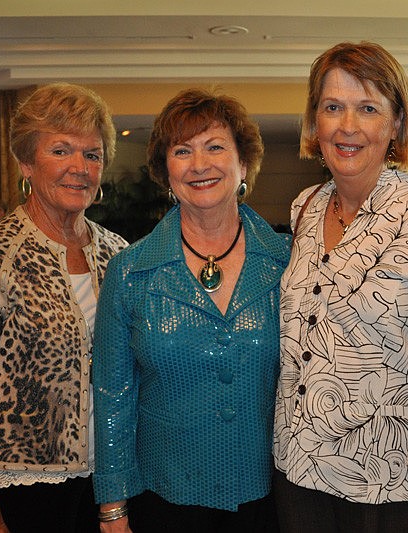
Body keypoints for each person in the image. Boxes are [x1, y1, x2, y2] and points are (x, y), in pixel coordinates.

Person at [274, 41, 408, 533]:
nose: (347, 126)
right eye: (333, 107)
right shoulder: (305, 208)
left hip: (385, 490)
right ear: (314, 123)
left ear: (396, 124)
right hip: (296, 475)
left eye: (367, 108)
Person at [0, 82, 128, 533]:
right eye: (61, 151)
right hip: (22, 491)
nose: (79, 167)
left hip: (111, 483)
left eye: (92, 154)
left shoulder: (118, 255)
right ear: (26, 163)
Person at [92, 88, 289, 532]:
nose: (199, 164)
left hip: (272, 500)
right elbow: (112, 396)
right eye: (182, 151)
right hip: (163, 502)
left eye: (215, 147)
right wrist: (112, 508)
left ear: (243, 164)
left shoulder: (289, 264)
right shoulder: (130, 272)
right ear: (166, 171)